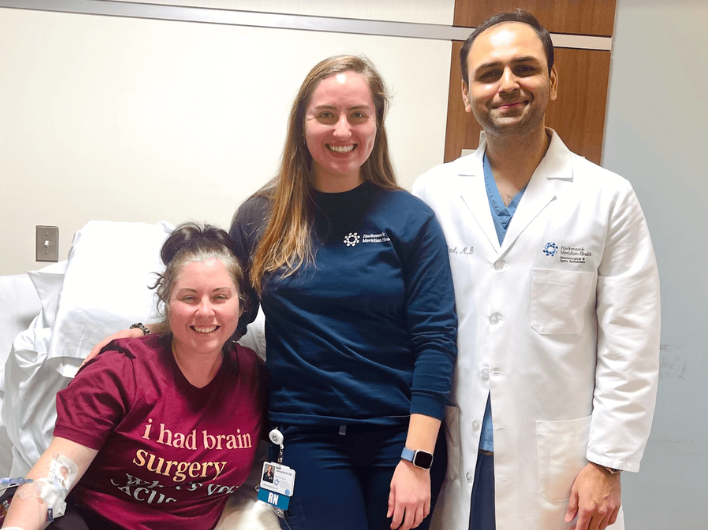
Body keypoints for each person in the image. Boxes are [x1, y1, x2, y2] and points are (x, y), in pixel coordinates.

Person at [91, 55, 457, 530]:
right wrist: (146, 332)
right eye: (325, 114)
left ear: (377, 123)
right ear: (302, 124)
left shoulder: (410, 220)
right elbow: (227, 312)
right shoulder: (261, 217)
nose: (341, 130)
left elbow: (435, 340)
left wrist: (417, 458)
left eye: (358, 115)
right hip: (306, 436)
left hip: (400, 434)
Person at [412, 10, 660, 530]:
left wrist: (606, 463)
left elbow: (631, 344)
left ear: (552, 79)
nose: (507, 85)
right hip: (455, 454)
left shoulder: (606, 197)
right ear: (465, 93)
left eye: (524, 68)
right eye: (488, 73)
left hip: (560, 468)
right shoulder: (432, 194)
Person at [0, 223, 266, 530]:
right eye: (188, 298)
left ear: (242, 304)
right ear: (167, 302)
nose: (204, 311)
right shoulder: (120, 370)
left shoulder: (251, 377)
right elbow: (51, 477)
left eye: (220, 297)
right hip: (91, 521)